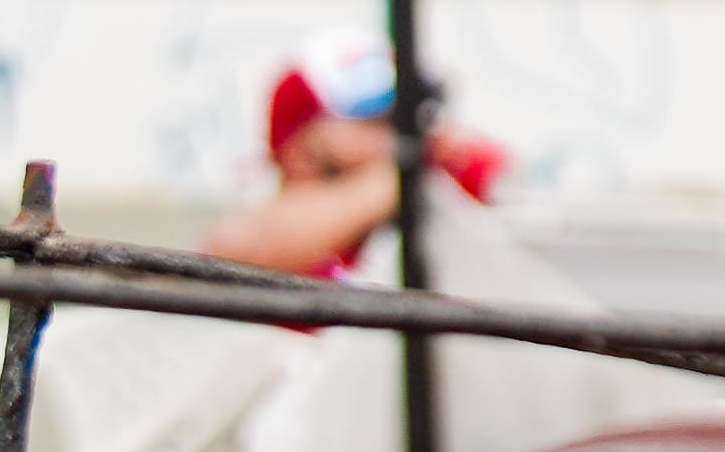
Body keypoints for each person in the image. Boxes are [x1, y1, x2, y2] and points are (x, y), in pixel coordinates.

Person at [202, 32, 511, 281]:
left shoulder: (442, 172)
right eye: (377, 120)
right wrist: (396, 179)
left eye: (407, 118)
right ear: (299, 149)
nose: (406, 134)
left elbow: (510, 193)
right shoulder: (260, 233)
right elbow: (227, 250)